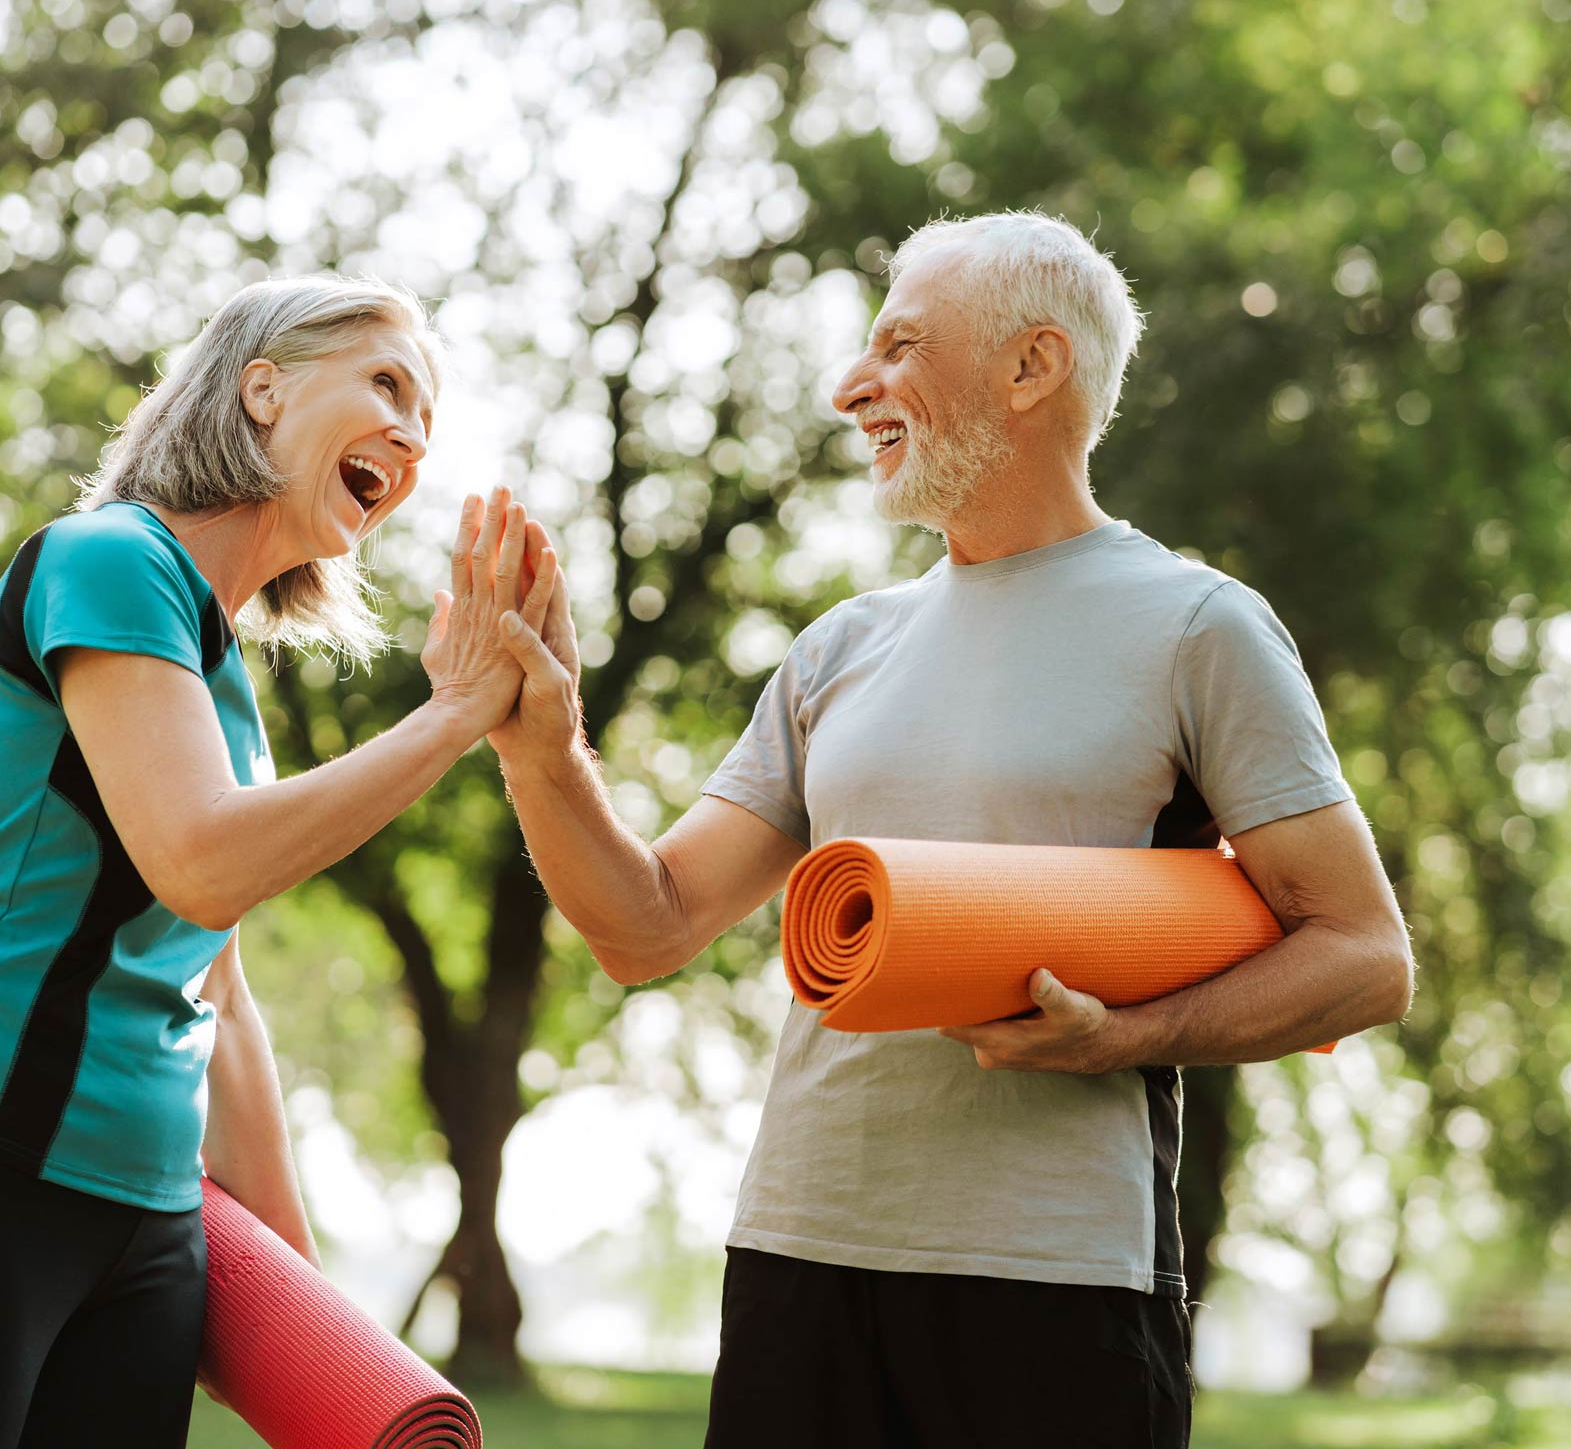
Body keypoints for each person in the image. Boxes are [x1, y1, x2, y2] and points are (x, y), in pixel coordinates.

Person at [489, 211, 1415, 1447]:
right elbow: (644, 927)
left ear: (1032, 367)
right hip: (797, 1252)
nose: (847, 386)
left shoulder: (1199, 628)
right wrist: (539, 745)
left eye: (898, 344)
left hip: (1056, 1279)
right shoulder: (837, 648)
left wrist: (1127, 1035)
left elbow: (1363, 953)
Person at [0, 274, 558, 1448]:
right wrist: (453, 716)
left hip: (148, 1217)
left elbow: (224, 1000)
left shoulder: (226, 682)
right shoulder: (107, 561)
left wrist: (320, 1325)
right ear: (262, 389)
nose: (411, 436)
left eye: (427, 420)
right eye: (387, 383)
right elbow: (199, 860)